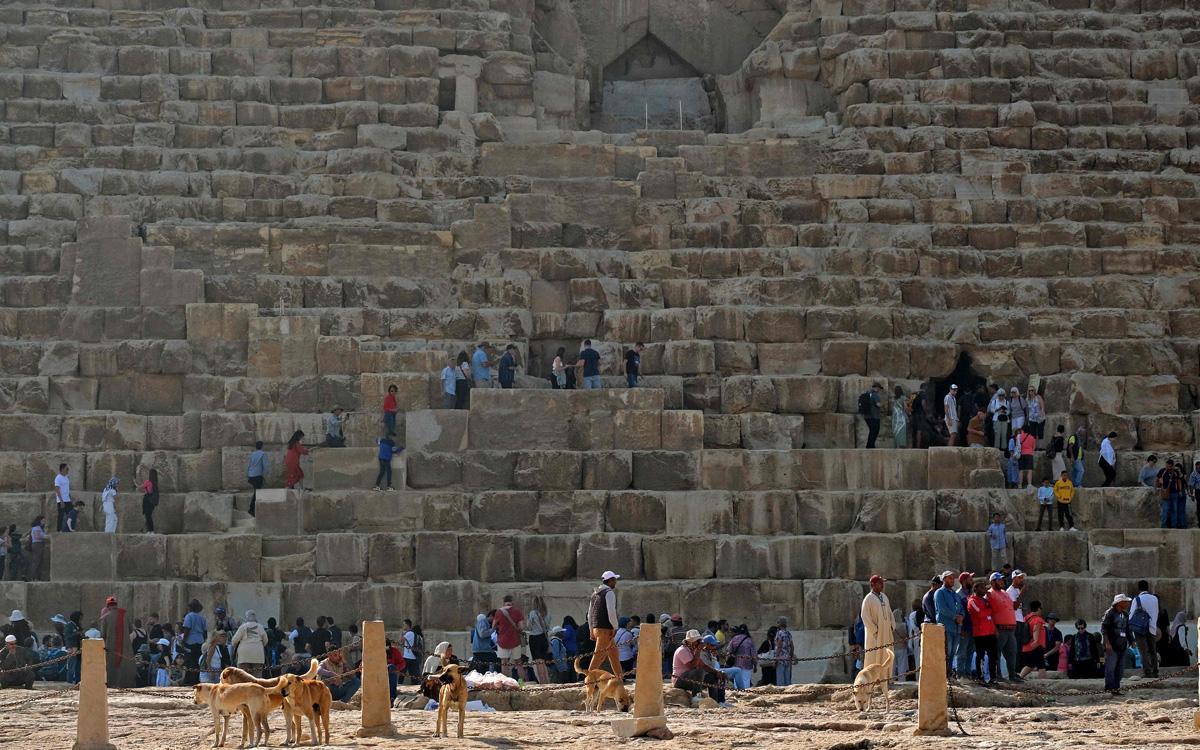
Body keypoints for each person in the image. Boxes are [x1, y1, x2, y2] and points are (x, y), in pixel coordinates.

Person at [672, 630, 725, 704]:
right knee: (699, 671)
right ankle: (696, 696)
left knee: (714, 676)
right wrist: (698, 650)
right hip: (679, 680)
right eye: (697, 641)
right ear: (690, 641)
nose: (698, 643)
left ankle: (717, 701)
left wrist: (717, 672)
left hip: (691, 679)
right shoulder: (682, 650)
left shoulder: (692, 650)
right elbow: (693, 666)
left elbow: (703, 665)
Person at [587, 571, 622, 679]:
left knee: (614, 656)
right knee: (598, 657)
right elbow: (611, 612)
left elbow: (590, 614)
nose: (615, 582)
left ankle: (619, 679)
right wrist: (615, 627)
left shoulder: (595, 594)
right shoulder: (609, 592)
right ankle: (589, 680)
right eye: (614, 580)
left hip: (596, 628)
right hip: (605, 629)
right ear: (610, 580)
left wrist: (591, 629)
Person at [988, 572, 1021, 682]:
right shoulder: (990, 594)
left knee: (1012, 653)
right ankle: (998, 676)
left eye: (1002, 580)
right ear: (993, 582)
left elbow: (1013, 607)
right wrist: (994, 628)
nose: (1002, 581)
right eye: (999, 580)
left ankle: (1012, 675)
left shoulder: (1004, 593)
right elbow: (989, 613)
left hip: (1011, 629)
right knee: (996, 653)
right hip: (1000, 628)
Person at [859, 574, 893, 679]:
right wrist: (874, 630)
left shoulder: (884, 597)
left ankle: (885, 678)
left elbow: (889, 612)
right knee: (873, 654)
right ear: (873, 585)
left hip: (886, 633)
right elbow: (864, 616)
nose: (882, 585)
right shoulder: (868, 599)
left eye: (882, 583)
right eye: (880, 583)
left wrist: (892, 625)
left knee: (886, 654)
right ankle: (872, 679)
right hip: (875, 634)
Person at [99, 595, 136, 688]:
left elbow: (102, 634)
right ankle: (125, 684)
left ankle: (112, 684)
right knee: (124, 665)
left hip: (111, 647)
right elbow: (131, 630)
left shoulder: (106, 617)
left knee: (111, 666)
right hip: (125, 646)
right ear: (116, 605)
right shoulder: (125, 614)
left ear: (108, 606)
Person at [1102, 594, 1133, 695]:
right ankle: (1109, 688)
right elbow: (1104, 629)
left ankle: (1116, 688)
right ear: (1119, 603)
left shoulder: (1125, 614)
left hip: (1122, 645)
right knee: (1110, 668)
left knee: (1120, 669)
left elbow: (1127, 629)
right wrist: (1107, 643)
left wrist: (1132, 640)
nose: (1127, 603)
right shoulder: (1109, 613)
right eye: (1125, 601)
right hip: (1112, 645)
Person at [934, 570, 963, 676]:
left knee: (952, 653)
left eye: (953, 578)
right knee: (946, 652)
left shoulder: (955, 594)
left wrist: (961, 616)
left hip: (956, 628)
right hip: (946, 627)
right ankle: (943, 675)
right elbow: (942, 609)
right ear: (944, 579)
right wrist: (955, 616)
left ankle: (949, 673)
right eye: (950, 578)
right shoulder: (940, 592)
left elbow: (960, 607)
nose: (952, 580)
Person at [967, 580, 997, 684]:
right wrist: (988, 611)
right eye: (982, 588)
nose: (985, 590)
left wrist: (990, 598)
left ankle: (993, 677)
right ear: (975, 589)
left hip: (990, 632)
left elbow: (993, 610)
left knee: (993, 655)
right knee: (980, 656)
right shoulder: (972, 600)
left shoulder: (985, 600)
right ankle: (980, 678)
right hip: (980, 633)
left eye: (985, 588)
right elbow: (980, 614)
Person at [1129, 581, 1160, 678]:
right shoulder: (1155, 598)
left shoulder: (1137, 599)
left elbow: (1130, 617)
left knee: (1143, 651)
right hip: (1152, 628)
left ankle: (1147, 672)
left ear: (1139, 589)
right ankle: (1155, 671)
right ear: (1148, 588)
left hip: (1140, 629)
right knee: (1153, 651)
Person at [231, 610, 268, 677]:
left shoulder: (243, 627)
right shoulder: (260, 627)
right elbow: (265, 641)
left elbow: (234, 641)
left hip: (244, 656)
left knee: (243, 677)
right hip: (258, 655)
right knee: (257, 678)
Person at [181, 599, 207, 686]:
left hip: (190, 641)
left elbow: (187, 629)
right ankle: (196, 679)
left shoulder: (189, 616)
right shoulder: (202, 617)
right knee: (198, 661)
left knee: (189, 661)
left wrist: (183, 641)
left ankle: (189, 680)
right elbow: (205, 632)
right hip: (200, 641)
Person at [1019, 600, 1047, 678]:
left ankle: (1020, 677)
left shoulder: (1026, 618)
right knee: (1042, 666)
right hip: (1036, 646)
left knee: (1030, 665)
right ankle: (1042, 683)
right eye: (1040, 609)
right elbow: (1036, 629)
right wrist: (1035, 640)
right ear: (1038, 609)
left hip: (1026, 646)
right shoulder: (1038, 619)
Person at [527, 596, 550, 684]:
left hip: (535, 638)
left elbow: (529, 626)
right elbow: (547, 627)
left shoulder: (532, 613)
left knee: (538, 662)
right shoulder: (547, 613)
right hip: (544, 637)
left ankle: (542, 682)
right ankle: (547, 681)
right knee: (543, 662)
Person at [1156, 458, 1185, 529]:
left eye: (1170, 466)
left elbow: (1179, 482)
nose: (1168, 467)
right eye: (1167, 466)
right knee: (1165, 510)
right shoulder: (1162, 471)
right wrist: (1157, 486)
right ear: (1166, 465)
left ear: (1172, 466)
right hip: (1166, 493)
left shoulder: (1175, 472)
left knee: (1174, 510)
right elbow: (1157, 479)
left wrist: (1180, 491)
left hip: (1175, 493)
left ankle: (1173, 526)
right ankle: (1163, 526)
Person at [246, 441, 268, 516]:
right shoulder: (263, 454)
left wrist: (248, 475)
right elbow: (266, 466)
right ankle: (251, 510)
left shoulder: (253, 454)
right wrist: (265, 475)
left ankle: (253, 510)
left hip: (251, 476)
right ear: (262, 446)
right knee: (257, 493)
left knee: (256, 492)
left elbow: (249, 465)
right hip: (257, 476)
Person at [860, 382, 883, 449]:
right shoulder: (875, 394)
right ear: (876, 387)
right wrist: (883, 404)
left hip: (867, 416)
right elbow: (878, 404)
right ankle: (870, 446)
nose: (879, 390)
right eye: (879, 388)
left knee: (872, 431)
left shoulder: (867, 393)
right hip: (874, 416)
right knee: (875, 431)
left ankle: (870, 445)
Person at [773, 617, 794, 686]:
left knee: (780, 679)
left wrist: (776, 659)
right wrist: (790, 656)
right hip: (787, 658)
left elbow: (779, 646)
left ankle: (781, 694)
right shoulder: (788, 633)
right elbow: (792, 646)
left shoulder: (779, 633)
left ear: (780, 624)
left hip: (780, 658)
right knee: (787, 679)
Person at [891, 609, 910, 682]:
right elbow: (905, 635)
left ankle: (891, 680)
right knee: (902, 666)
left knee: (892, 666)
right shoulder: (903, 625)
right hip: (902, 647)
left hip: (893, 647)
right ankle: (902, 681)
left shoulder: (891, 626)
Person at [54, 463, 72, 532]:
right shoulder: (58, 478)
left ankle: (68, 529)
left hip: (68, 500)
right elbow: (57, 489)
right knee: (61, 516)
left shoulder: (66, 477)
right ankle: (59, 530)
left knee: (70, 515)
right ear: (62, 469)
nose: (68, 470)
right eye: (67, 469)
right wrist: (61, 501)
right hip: (61, 500)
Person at [1190, 461, 1200, 529]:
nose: (1198, 469)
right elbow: (1191, 485)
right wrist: (1192, 494)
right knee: (1199, 507)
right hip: (1198, 491)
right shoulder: (1193, 474)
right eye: (1197, 467)